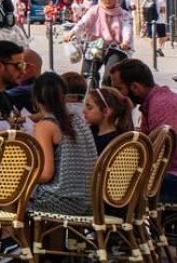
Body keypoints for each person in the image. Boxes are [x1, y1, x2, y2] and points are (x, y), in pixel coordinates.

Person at [28, 71, 95, 216]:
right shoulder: (78, 120)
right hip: (89, 202)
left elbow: (46, 174)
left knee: (7, 193)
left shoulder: (45, 126)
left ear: (36, 99)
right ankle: (52, 240)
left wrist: (20, 173)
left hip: (60, 201)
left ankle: (15, 238)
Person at [109, 58, 177, 199]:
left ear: (135, 87)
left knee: (117, 188)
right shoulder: (152, 102)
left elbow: (160, 155)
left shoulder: (161, 105)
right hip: (168, 174)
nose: (118, 96)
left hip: (171, 176)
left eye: (119, 89)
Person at [72, 0, 133, 83]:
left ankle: (107, 95)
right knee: (86, 74)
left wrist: (125, 41)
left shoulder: (124, 14)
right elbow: (82, 23)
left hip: (116, 47)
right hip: (96, 45)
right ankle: (91, 94)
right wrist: (71, 34)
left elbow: (127, 28)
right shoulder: (94, 11)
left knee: (109, 77)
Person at [82, 86, 133, 153]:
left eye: (90, 108)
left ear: (106, 112)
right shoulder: (91, 131)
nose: (83, 111)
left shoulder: (114, 142)